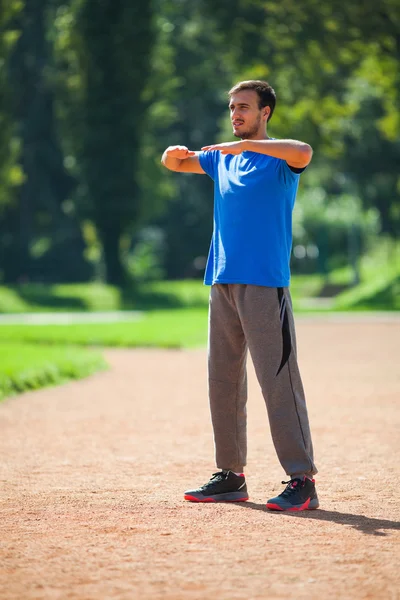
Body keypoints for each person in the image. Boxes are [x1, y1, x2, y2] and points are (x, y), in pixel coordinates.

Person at [161, 80, 318, 511]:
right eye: (232, 107)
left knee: (278, 381)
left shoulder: (281, 161)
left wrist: (235, 149)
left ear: (265, 112)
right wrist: (171, 154)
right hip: (222, 280)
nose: (235, 115)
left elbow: (303, 151)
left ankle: (302, 479)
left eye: (244, 108)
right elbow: (177, 164)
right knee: (223, 380)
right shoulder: (221, 162)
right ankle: (231, 475)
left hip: (266, 283)